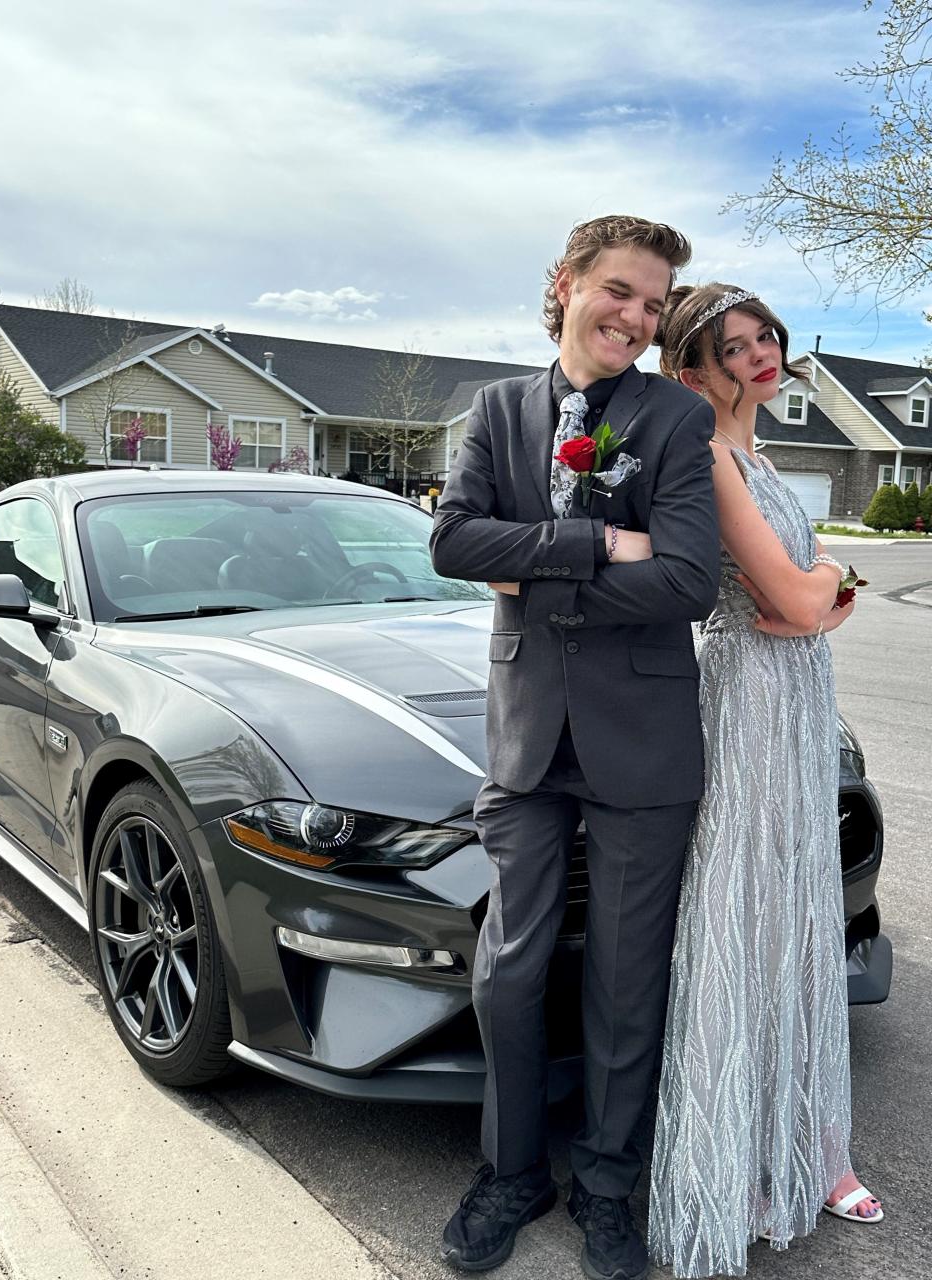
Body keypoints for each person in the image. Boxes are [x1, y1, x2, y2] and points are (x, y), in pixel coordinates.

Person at [430, 215, 720, 1280]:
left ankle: (606, 1183)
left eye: (655, 305)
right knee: (509, 968)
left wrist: (529, 564)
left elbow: (689, 580)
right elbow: (455, 540)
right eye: (621, 291)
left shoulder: (676, 419)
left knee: (625, 979)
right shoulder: (497, 410)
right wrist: (596, 539)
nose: (637, 319)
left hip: (643, 738)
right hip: (523, 735)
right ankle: (511, 1173)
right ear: (566, 284)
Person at [647, 283, 883, 1278]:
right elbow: (788, 590)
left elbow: (821, 581)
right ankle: (735, 1159)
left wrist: (824, 595)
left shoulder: (763, 452)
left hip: (796, 701)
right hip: (748, 710)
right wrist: (817, 595)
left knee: (798, 918)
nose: (759, 355)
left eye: (765, 338)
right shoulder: (704, 455)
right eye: (733, 346)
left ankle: (814, 1149)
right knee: (744, 922)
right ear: (694, 369)